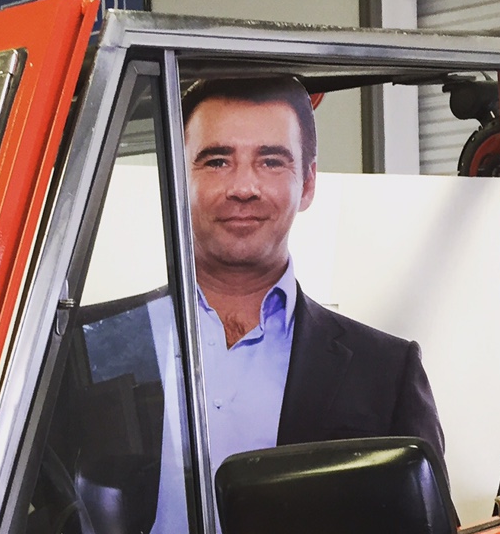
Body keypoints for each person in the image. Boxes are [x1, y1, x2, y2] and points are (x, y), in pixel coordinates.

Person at [183, 76, 445, 471]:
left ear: (307, 183)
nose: (243, 187)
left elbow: (427, 531)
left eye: (271, 161)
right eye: (217, 161)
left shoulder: (386, 373)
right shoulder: (91, 351)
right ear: (174, 176)